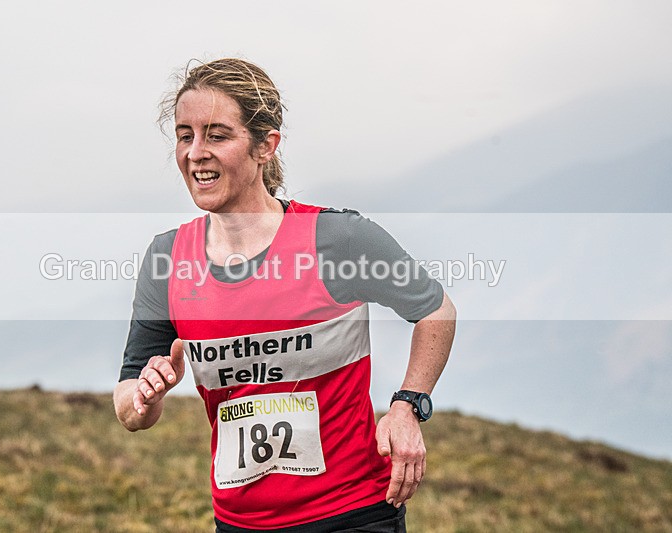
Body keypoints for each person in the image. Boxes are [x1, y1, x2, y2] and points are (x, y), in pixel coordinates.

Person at [113, 58, 456, 532]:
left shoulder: (338, 239)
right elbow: (130, 404)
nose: (195, 152)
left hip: (353, 514)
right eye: (184, 135)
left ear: (265, 146)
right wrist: (146, 396)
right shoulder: (167, 258)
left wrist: (408, 406)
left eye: (217, 135)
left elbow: (435, 309)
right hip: (239, 523)